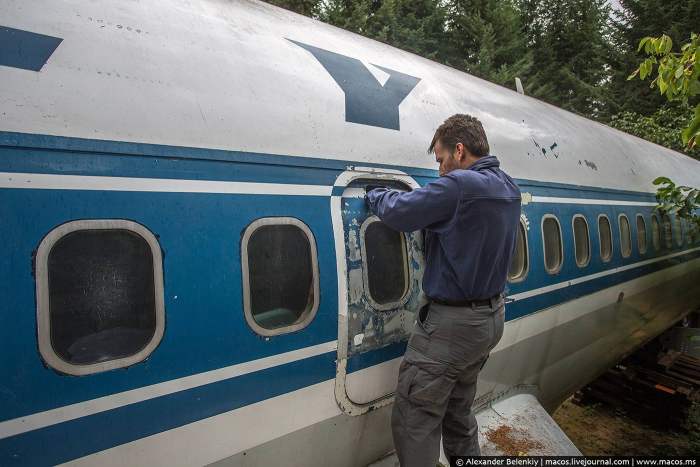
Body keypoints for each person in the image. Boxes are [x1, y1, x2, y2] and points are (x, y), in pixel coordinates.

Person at [365, 114, 521, 466]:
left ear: (460, 150)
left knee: (414, 417)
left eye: (440, 159)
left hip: (450, 329)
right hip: (490, 318)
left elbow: (400, 212)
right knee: (458, 413)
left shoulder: (459, 187)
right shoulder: (508, 187)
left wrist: (376, 195)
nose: (439, 169)